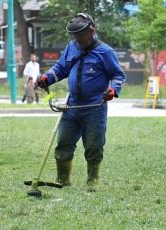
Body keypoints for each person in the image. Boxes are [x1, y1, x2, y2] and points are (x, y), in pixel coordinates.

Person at [36, 13, 126, 192]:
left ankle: (92, 180)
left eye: (79, 34)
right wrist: (47, 77)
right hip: (71, 106)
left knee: (94, 145)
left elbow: (118, 75)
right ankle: (63, 180)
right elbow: (61, 68)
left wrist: (113, 90)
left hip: (94, 107)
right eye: (73, 34)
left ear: (91, 31)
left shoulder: (106, 52)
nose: (75, 38)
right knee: (63, 143)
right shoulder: (72, 47)